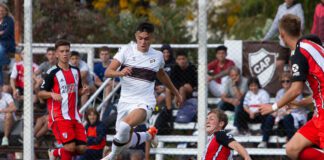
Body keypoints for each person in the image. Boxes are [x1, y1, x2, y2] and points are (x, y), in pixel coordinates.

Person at [101, 22, 183, 160]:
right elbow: (108, 72)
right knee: (124, 141)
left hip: (145, 102)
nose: (143, 42)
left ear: (152, 38)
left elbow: (161, 75)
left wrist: (176, 92)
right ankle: (149, 135)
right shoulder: (126, 51)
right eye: (140, 38)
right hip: (125, 101)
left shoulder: (157, 56)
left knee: (124, 127)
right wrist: (120, 73)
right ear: (136, 36)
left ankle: (112, 156)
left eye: (146, 38)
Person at [259, 14, 324, 159]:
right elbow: (320, 89)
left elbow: (296, 89)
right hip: (320, 111)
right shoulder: (312, 44)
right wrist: (301, 103)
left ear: (282, 34)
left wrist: (273, 107)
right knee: (292, 149)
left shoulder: (299, 52)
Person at [38, 40, 89, 160]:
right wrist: (51, 94)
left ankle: (56, 152)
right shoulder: (52, 72)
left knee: (81, 149)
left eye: (67, 51)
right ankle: (58, 152)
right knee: (70, 147)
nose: (65, 54)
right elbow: (40, 93)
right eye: (62, 51)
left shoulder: (76, 71)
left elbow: (78, 90)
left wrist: (83, 91)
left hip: (74, 115)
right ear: (56, 54)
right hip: (59, 116)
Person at [258, 72, 307, 148]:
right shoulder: (280, 92)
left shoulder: (296, 92)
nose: (285, 83)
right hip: (282, 115)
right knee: (270, 117)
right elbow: (276, 107)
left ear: (291, 82)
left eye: (288, 81)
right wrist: (277, 113)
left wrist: (283, 111)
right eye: (283, 81)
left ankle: (290, 141)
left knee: (288, 116)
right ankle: (264, 140)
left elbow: (296, 107)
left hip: (295, 115)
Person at [218, 67, 248, 134]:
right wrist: (231, 100)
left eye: (236, 75)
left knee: (238, 103)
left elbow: (240, 97)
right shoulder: (228, 81)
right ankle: (217, 124)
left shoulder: (245, 81)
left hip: (243, 104)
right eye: (232, 75)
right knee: (221, 104)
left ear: (240, 75)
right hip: (232, 101)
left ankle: (236, 127)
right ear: (229, 76)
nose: (234, 77)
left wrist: (234, 85)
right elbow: (223, 96)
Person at [0, 3, 15, 86]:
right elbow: (2, 33)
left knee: (0, 49)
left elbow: (7, 34)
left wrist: (2, 34)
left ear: (6, 11)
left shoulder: (9, 20)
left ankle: (6, 61)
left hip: (7, 44)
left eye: (2, 10)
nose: (0, 12)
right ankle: (1, 85)